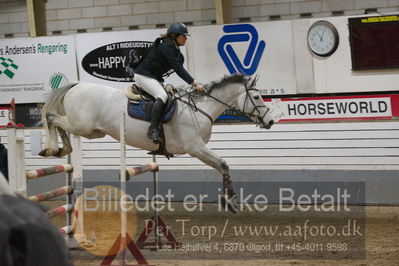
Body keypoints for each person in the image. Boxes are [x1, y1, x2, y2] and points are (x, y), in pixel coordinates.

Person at [134, 22, 205, 144]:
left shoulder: (174, 48)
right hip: (143, 75)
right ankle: (152, 130)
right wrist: (194, 83)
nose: (186, 38)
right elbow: (178, 69)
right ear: (175, 36)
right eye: (183, 35)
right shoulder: (167, 47)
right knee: (162, 96)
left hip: (152, 76)